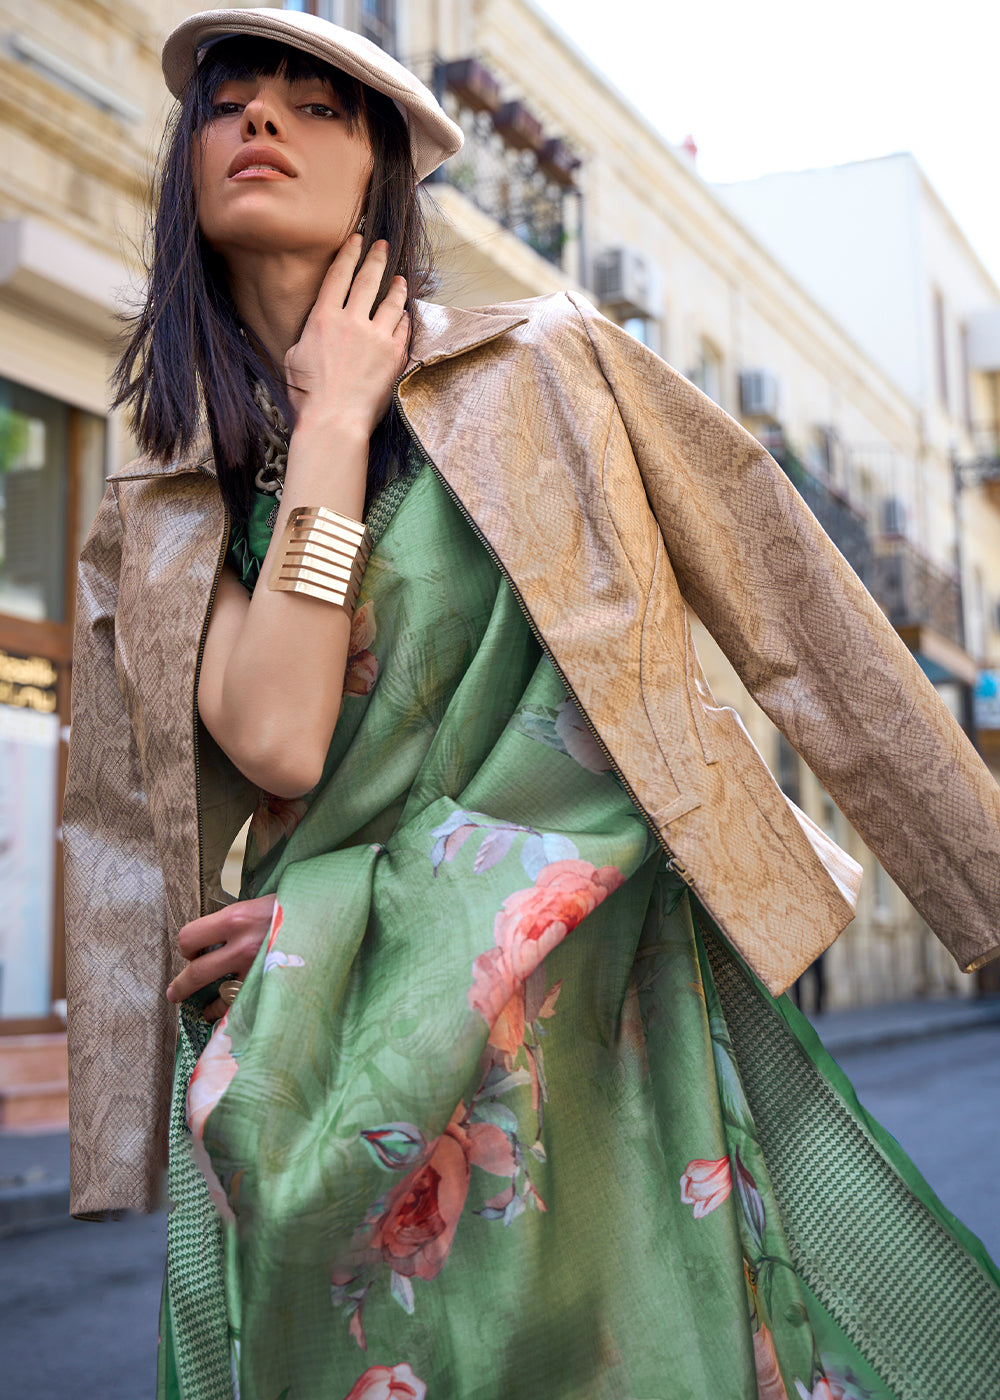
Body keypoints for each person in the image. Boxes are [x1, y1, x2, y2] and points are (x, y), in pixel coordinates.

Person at [63, 9, 1000, 1399]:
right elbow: (277, 742)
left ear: (383, 176)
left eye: (317, 106)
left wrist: (981, 876)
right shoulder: (163, 511)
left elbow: (795, 601)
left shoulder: (547, 368)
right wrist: (333, 422)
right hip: (331, 1061)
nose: (260, 118)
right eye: (229, 101)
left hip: (588, 1010)